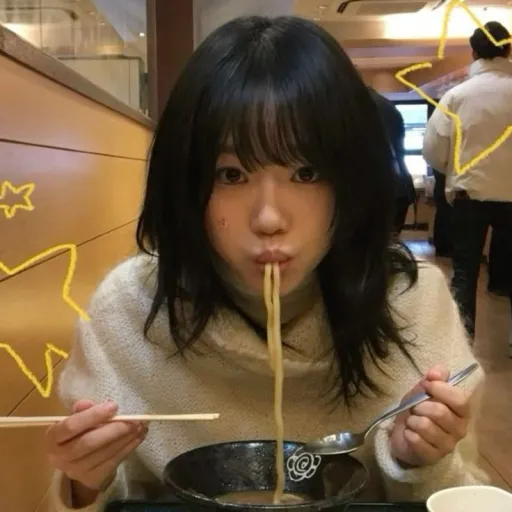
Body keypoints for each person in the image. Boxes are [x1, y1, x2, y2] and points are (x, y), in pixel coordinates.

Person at [47, 16, 487, 512]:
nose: (270, 219)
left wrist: (416, 460)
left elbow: (461, 492)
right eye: (231, 174)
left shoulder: (408, 303)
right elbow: (107, 496)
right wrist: (86, 483)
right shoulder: (131, 310)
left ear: (352, 179)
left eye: (306, 171)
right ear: (185, 182)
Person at [423, 20, 512, 340]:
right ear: (508, 49)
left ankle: (464, 339)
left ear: (473, 52)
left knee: (465, 272)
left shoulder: (457, 96)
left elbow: (433, 149)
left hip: (469, 195)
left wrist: (454, 169)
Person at [367, 87, 417, 234]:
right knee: (388, 241)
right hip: (398, 186)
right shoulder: (387, 106)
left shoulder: (354, 107)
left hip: (373, 192)